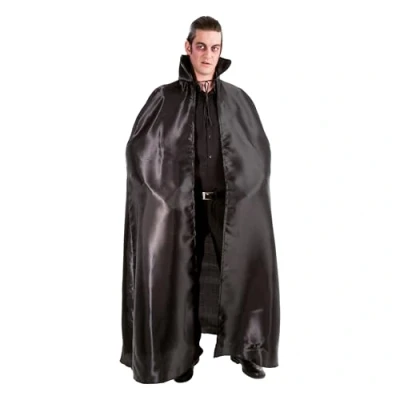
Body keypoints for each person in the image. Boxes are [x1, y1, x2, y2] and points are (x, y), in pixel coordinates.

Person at [120, 16, 280, 384]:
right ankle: (180, 355)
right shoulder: (165, 98)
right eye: (202, 46)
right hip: (180, 207)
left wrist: (249, 187)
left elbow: (259, 151)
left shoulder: (238, 99)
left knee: (241, 275)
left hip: (231, 205)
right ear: (188, 47)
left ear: (221, 52)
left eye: (215, 48)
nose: (208, 54)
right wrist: (164, 192)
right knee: (178, 279)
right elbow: (139, 152)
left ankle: (246, 348)